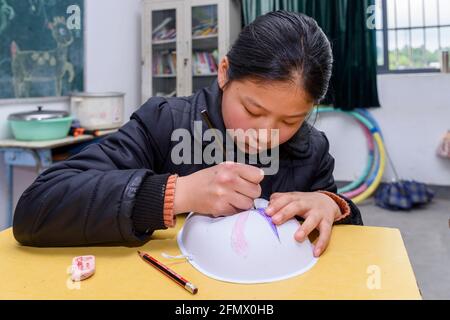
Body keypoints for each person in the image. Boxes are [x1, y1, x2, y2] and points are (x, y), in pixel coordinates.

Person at [13, 11, 362, 256]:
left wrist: (331, 205)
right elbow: (37, 208)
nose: (267, 133)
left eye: (291, 120)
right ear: (224, 73)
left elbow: (348, 242)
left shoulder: (311, 148)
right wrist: (174, 193)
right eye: (254, 110)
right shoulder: (164, 123)